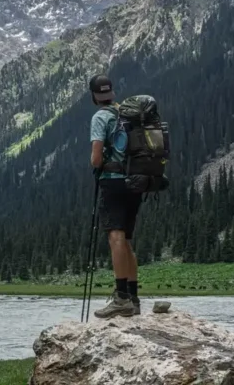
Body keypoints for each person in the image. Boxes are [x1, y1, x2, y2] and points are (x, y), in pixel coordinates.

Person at [88, 74, 142, 318]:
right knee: (127, 239)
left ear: (93, 96)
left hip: (113, 183)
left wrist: (94, 165)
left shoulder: (101, 117)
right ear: (112, 93)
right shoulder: (127, 114)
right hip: (135, 182)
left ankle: (120, 298)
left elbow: (96, 157)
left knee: (115, 237)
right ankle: (133, 297)